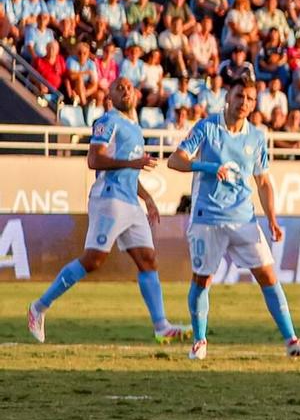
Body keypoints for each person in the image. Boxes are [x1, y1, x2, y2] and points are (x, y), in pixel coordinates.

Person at [166, 63, 300, 360]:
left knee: (269, 276)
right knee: (202, 280)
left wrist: (272, 219)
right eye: (239, 96)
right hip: (207, 218)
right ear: (228, 96)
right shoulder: (208, 127)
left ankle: (291, 341)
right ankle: (199, 341)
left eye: (250, 98)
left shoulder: (257, 137)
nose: (244, 103)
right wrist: (208, 167)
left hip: (243, 219)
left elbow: (263, 182)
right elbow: (176, 160)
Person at [27, 79, 187, 343]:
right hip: (109, 198)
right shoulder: (107, 121)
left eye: (129, 87)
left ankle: (161, 326)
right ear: (110, 96)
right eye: (119, 87)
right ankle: (39, 307)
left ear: (136, 94)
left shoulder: (135, 128)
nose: (126, 90)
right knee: (93, 260)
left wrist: (147, 198)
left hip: (131, 202)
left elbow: (130, 173)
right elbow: (94, 159)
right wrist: (133, 162)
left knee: (148, 260)